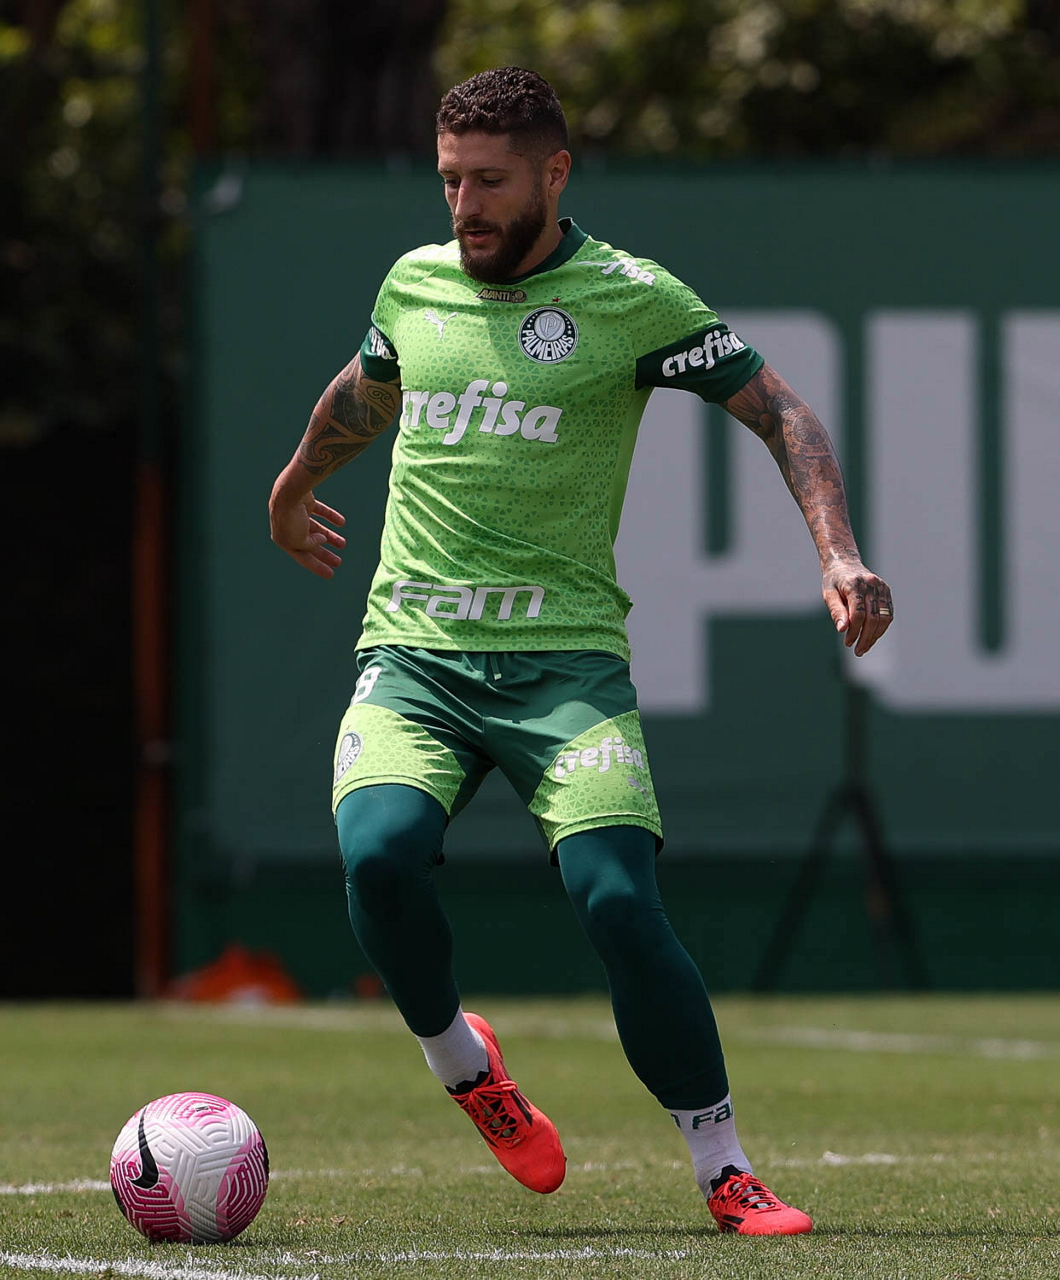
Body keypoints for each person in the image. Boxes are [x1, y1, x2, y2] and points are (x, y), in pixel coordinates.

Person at [268, 66, 893, 1236]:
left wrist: (839, 552)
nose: (465, 206)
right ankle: (466, 1066)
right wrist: (297, 481)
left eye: (490, 182)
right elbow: (370, 383)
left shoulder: (630, 298)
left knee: (615, 900)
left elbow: (782, 411)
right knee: (379, 857)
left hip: (564, 667)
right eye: (450, 180)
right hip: (416, 655)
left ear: (554, 174)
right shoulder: (413, 282)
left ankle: (724, 1165)